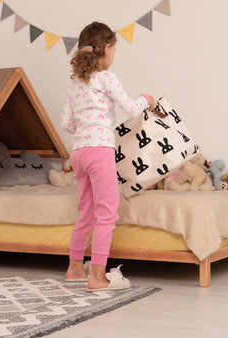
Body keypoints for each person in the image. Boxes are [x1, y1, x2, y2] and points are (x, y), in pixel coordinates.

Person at [61, 21, 155, 291]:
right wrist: (146, 99)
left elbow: (66, 122)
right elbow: (130, 108)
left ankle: (75, 268)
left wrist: (86, 128)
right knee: (106, 215)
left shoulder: (76, 83)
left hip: (79, 152)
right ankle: (98, 277)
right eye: (114, 49)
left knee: (85, 213)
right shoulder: (107, 78)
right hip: (100, 150)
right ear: (107, 48)